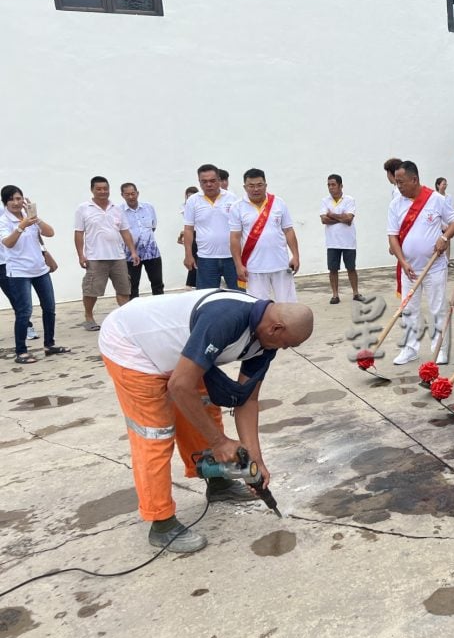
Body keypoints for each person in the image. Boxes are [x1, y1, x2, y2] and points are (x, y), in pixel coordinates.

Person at [98, 289, 314, 553]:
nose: (284, 349)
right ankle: (162, 523)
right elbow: (179, 386)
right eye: (286, 343)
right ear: (276, 328)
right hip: (133, 346)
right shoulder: (225, 319)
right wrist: (220, 442)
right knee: (155, 433)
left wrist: (255, 459)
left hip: (178, 352)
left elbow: (248, 400)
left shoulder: (265, 338)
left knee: (202, 409)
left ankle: (219, 481)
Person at [386, 160, 454, 365]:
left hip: (434, 266)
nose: (398, 186)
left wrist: (444, 239)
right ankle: (410, 348)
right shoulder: (395, 204)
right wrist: (403, 262)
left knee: (437, 307)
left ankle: (439, 349)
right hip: (409, 268)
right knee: (409, 309)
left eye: (401, 182)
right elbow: (392, 236)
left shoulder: (435, 199)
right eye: (396, 182)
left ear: (414, 179)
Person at [1, 186, 68, 362]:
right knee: (24, 311)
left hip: (39, 268)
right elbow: (8, 243)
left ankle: (49, 345)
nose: (16, 203)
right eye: (12, 199)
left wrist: (35, 218)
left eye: (19, 198)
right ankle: (21, 351)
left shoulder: (30, 217)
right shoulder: (4, 221)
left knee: (49, 307)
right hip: (19, 272)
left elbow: (50, 233)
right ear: (5, 203)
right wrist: (21, 227)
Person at [74, 176, 140, 330]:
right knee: (92, 291)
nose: (103, 192)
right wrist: (81, 255)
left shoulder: (117, 208)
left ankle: (125, 318)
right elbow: (78, 233)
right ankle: (89, 317)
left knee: (124, 289)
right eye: (99, 189)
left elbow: (125, 231)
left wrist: (133, 251)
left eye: (105, 189)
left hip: (118, 257)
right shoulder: (83, 208)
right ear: (92, 190)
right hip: (95, 258)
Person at [229, 168, 300, 302]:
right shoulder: (237, 207)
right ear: (245, 187)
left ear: (265, 185)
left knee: (287, 305)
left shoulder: (279, 203)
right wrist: (238, 265)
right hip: (254, 267)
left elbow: (288, 231)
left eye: (259, 185)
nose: (256, 189)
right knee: (258, 307)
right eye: (251, 186)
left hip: (281, 263)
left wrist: (295, 256)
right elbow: (235, 238)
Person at [183, 164, 238, 290]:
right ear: (199, 182)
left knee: (239, 294)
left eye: (212, 181)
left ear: (219, 180)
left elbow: (239, 228)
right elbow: (188, 229)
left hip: (232, 257)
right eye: (204, 181)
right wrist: (188, 255)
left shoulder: (232, 198)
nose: (209, 184)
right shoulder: (193, 201)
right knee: (207, 297)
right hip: (206, 258)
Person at [321, 173, 363, 304]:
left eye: (333, 184)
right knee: (333, 269)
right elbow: (324, 220)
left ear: (341, 186)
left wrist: (332, 215)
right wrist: (341, 218)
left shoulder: (349, 200)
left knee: (351, 268)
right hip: (332, 242)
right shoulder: (325, 201)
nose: (330, 187)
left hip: (348, 242)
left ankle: (356, 293)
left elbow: (349, 218)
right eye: (328, 185)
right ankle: (335, 295)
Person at [120, 182, 163, 299]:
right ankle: (134, 312)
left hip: (152, 252)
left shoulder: (148, 207)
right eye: (127, 194)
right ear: (122, 195)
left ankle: (159, 307)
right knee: (132, 286)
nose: (131, 197)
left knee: (157, 283)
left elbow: (153, 227)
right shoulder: (119, 211)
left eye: (133, 193)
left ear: (137, 193)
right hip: (130, 254)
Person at [177, 186, 199, 288]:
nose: (191, 198)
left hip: (201, 234)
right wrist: (183, 234)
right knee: (193, 257)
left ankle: (193, 282)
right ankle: (191, 283)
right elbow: (188, 225)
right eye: (188, 196)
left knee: (199, 259)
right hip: (192, 234)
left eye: (193, 196)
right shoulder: (185, 207)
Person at [435, 177, 454, 267]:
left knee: (448, 241)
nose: (445, 186)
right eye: (443, 184)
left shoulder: (449, 197)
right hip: (439, 223)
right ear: (438, 185)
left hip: (447, 223)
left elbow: (450, 210)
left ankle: (447, 260)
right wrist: (442, 225)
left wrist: (449, 223)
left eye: (446, 184)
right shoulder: (435, 197)